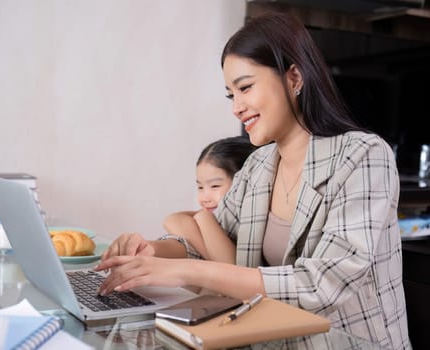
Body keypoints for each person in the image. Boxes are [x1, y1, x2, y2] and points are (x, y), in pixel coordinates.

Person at [96, 11, 411, 349]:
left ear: (294, 78)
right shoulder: (259, 165)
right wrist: (150, 251)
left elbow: (322, 284)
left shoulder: (363, 155)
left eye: (245, 88)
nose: (237, 107)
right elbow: (207, 241)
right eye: (232, 95)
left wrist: (184, 271)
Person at [162, 136, 257, 263]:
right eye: (200, 187)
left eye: (215, 186)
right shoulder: (211, 217)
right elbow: (171, 220)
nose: (204, 198)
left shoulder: (251, 222)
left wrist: (205, 219)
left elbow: (229, 265)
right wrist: (204, 218)